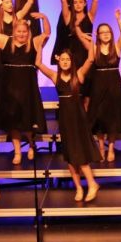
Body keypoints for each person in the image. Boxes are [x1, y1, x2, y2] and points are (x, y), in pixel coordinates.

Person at [35, 46, 100, 202]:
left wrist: (89, 42)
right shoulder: (54, 76)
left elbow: (91, 59)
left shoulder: (79, 74)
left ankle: (92, 184)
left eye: (68, 59)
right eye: (62, 59)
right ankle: (78, 187)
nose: (65, 62)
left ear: (72, 61)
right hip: (65, 119)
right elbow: (38, 63)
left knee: (80, 152)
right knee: (70, 155)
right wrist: (40, 45)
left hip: (78, 119)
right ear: (59, 61)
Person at [0, 10, 50, 165]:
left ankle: (31, 144)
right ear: (14, 31)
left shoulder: (33, 43)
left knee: (28, 121)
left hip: (28, 88)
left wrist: (45, 17)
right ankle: (17, 151)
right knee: (13, 122)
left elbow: (47, 34)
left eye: (24, 31)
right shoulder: (6, 42)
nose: (21, 34)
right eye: (19, 31)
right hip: (9, 88)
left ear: (27, 32)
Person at [81, 10, 121, 163]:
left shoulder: (116, 47)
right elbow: (81, 37)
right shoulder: (94, 49)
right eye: (102, 32)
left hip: (114, 86)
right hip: (98, 86)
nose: (105, 34)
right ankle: (101, 148)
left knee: (113, 118)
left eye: (107, 31)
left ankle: (111, 148)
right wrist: (88, 36)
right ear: (98, 35)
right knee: (99, 117)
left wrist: (119, 20)